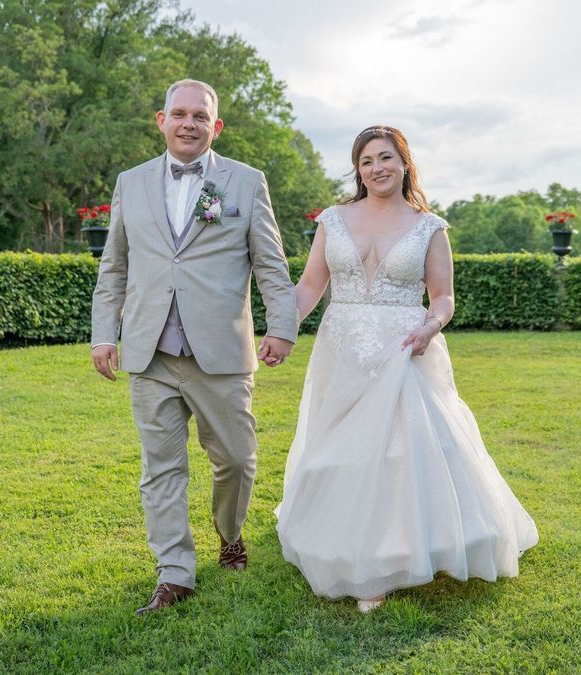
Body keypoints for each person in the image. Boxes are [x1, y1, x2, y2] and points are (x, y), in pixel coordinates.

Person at [276, 125, 539, 612]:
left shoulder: (429, 227)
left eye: (385, 158)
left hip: (404, 347)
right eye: (366, 161)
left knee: (399, 452)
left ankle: (387, 563)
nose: (377, 168)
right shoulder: (332, 220)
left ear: (404, 163)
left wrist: (430, 327)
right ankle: (346, 546)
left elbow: (443, 298)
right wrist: (281, 327)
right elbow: (311, 285)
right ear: (358, 170)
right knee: (339, 449)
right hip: (344, 348)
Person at [91, 79, 299, 616]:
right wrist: (102, 333)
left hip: (221, 352)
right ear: (161, 120)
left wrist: (282, 326)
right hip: (150, 351)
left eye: (199, 117)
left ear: (216, 126)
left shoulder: (246, 183)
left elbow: (272, 268)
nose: (188, 124)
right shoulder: (130, 183)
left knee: (236, 459)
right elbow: (114, 265)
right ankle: (175, 573)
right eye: (178, 114)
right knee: (161, 468)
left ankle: (229, 533)